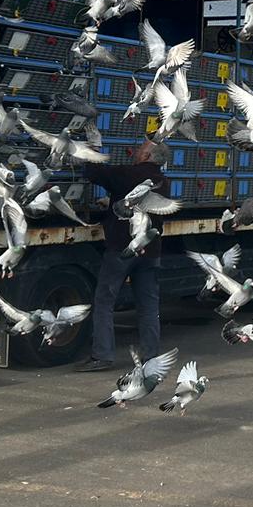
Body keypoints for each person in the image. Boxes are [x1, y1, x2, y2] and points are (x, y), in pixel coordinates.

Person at [77, 139, 168, 371]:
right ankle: (151, 357)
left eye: (141, 149)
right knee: (148, 306)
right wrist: (112, 202)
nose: (136, 151)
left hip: (122, 250)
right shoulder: (163, 182)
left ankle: (102, 355)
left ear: (147, 155)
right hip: (151, 252)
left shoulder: (130, 174)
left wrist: (92, 150)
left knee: (105, 301)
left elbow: (94, 172)